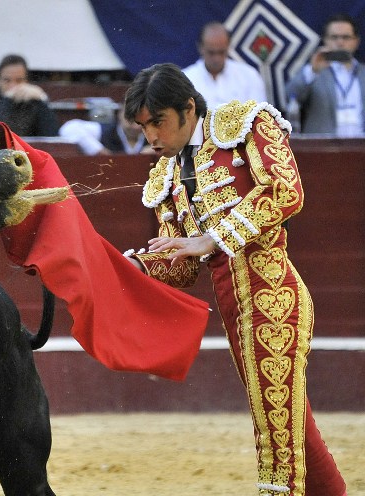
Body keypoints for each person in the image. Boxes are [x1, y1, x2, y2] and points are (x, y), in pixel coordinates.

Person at [122, 63, 347, 496]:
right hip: (235, 311)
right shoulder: (166, 177)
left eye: (158, 122)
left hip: (271, 298)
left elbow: (286, 191)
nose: (150, 136)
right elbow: (183, 265)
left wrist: (212, 238)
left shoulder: (243, 125)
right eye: (142, 126)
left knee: (276, 440)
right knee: (293, 430)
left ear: (188, 108)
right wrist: (132, 267)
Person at [285, 13, 365, 136]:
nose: (340, 42)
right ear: (325, 40)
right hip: (324, 149)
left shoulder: (362, 73)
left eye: (346, 37)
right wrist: (313, 71)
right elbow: (289, 96)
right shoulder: (314, 71)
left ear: (356, 41)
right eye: (334, 37)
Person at [182, 21, 267, 109]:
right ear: (200, 48)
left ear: (228, 46)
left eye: (221, 52)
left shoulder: (249, 76)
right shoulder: (185, 80)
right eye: (211, 52)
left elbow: (259, 116)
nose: (216, 59)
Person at [0, 54, 60, 137]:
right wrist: (8, 101)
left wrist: (41, 100)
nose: (13, 86)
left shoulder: (33, 99)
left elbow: (52, 136)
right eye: (7, 80)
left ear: (26, 81)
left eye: (19, 80)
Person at [59, 101, 153, 155]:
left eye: (141, 122)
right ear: (120, 114)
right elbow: (69, 127)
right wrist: (100, 151)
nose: (135, 127)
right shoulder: (105, 131)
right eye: (131, 121)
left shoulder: (154, 136)